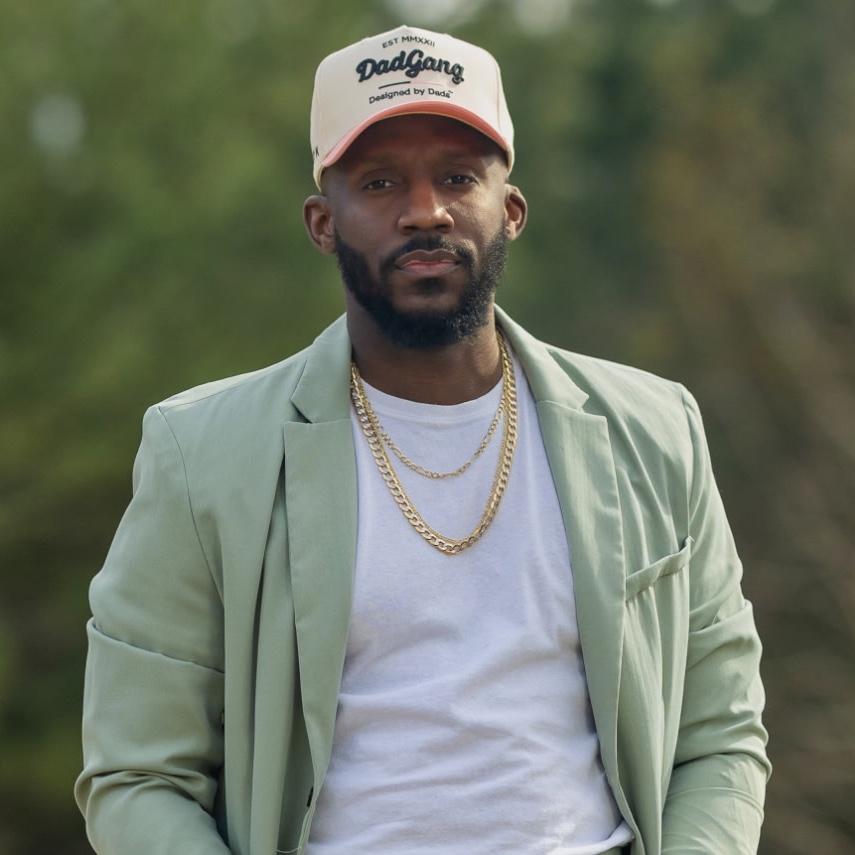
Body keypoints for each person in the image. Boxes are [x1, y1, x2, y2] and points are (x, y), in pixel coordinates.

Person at [75, 24, 770, 855]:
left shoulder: (652, 429)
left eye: (457, 177)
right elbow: (136, 774)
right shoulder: (203, 454)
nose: (424, 211)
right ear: (322, 223)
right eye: (379, 182)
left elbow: (720, 733)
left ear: (510, 209)